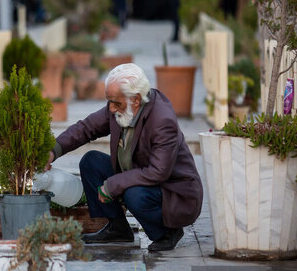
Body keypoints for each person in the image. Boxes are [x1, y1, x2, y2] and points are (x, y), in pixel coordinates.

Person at [46, 64, 203, 252]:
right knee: (91, 162)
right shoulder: (121, 106)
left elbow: (158, 172)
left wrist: (114, 184)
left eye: (116, 103)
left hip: (172, 191)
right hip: (141, 174)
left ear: (136, 99)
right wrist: (53, 151)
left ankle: (168, 232)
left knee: (134, 195)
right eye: (109, 102)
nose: (111, 108)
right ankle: (117, 228)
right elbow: (86, 128)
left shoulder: (162, 121)